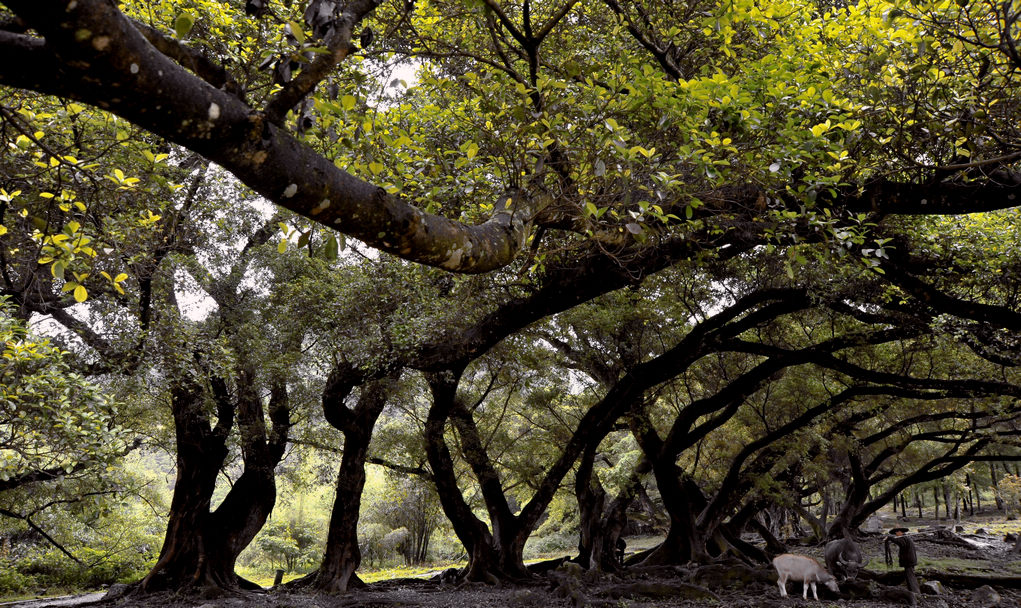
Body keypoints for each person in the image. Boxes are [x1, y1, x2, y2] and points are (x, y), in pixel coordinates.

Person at [885, 527, 919, 593]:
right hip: (910, 561)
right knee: (910, 576)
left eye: (896, 533)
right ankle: (913, 591)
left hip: (909, 561)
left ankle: (915, 592)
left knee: (910, 577)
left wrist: (889, 538)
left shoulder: (904, 538)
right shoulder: (906, 538)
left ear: (899, 532)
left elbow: (899, 542)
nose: (896, 534)